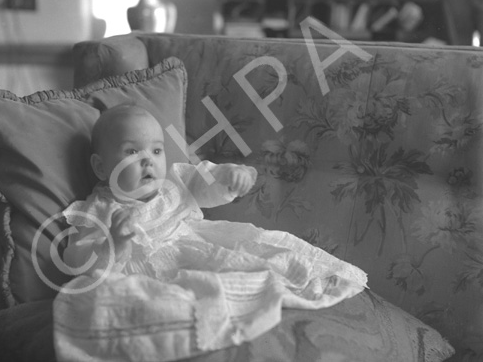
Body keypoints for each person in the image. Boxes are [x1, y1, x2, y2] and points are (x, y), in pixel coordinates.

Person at [54, 104, 368, 362]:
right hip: (143, 273)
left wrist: (230, 176)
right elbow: (75, 259)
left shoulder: (174, 182)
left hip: (196, 247)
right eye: (131, 152)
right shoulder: (96, 210)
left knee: (259, 254)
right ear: (99, 167)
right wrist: (112, 243)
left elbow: (206, 182)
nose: (148, 160)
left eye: (156, 150)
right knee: (142, 304)